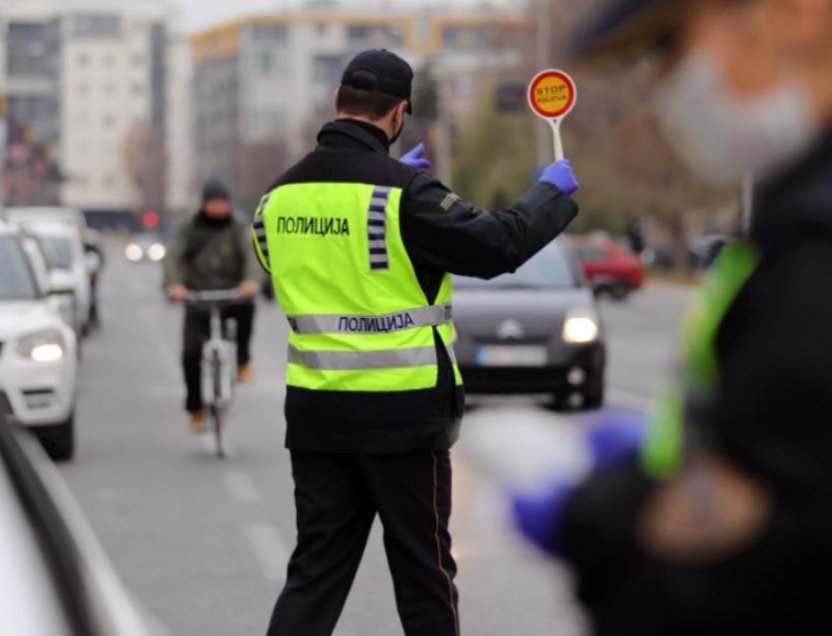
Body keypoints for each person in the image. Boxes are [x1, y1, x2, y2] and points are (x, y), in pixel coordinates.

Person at [512, 1, 832, 634]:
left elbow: (774, 575)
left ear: (796, 14)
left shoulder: (823, 250)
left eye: (671, 47)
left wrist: (607, 526)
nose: (661, 87)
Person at [252, 49, 582, 636]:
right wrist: (549, 195)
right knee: (423, 575)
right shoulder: (405, 193)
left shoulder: (274, 200)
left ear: (337, 103)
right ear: (401, 112)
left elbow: (303, 262)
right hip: (403, 416)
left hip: (317, 414)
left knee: (315, 574)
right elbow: (497, 245)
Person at [164, 180, 263, 430]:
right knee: (190, 354)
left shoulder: (239, 226)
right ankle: (195, 408)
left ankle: (242, 361)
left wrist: (251, 281)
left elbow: (251, 253)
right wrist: (175, 285)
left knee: (248, 310)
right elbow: (173, 255)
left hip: (232, 295)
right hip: (198, 299)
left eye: (223, 203)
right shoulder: (190, 227)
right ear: (205, 205)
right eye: (214, 203)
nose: (219, 208)